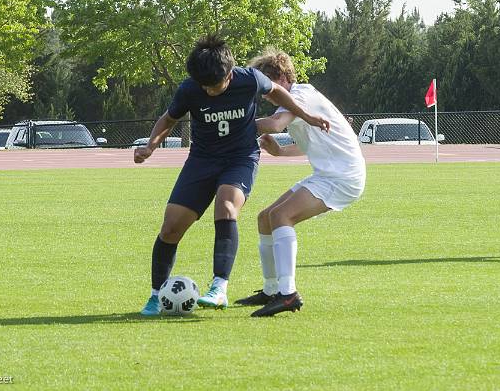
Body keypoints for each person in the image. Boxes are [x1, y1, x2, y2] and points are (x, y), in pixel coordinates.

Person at [135, 35, 330, 316]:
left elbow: (278, 92)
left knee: (226, 206)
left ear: (229, 74)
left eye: (215, 86)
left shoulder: (249, 79)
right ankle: (156, 295)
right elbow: (168, 119)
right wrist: (151, 145)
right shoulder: (190, 89)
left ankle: (219, 287)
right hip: (202, 161)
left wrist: (308, 116)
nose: (209, 91)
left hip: (240, 158)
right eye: (205, 86)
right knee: (171, 227)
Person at [235, 49, 366, 317]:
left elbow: (275, 124)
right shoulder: (297, 99)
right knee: (265, 218)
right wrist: (280, 152)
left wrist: (233, 123)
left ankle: (288, 294)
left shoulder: (300, 96)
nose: (267, 95)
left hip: (343, 177)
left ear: (282, 77)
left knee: (281, 216)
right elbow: (309, 143)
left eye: (269, 87)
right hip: (330, 174)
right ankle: (272, 290)